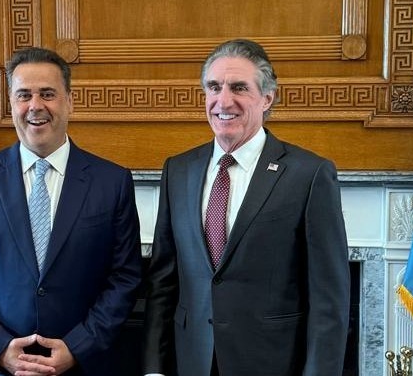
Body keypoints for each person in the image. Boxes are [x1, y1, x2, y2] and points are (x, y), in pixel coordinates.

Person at [143, 39, 350, 376]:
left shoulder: (310, 174)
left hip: (272, 362)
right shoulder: (178, 170)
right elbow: (162, 284)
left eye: (239, 87)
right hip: (192, 360)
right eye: (214, 87)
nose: (224, 101)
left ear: (267, 98)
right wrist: (154, 369)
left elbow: (330, 300)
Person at [0, 47, 143, 376]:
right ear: (12, 103)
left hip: (83, 366)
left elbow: (124, 277)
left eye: (48, 94)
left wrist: (78, 347)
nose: (35, 105)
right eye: (24, 95)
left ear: (69, 101)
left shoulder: (112, 182)